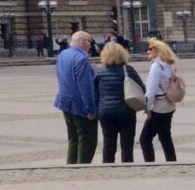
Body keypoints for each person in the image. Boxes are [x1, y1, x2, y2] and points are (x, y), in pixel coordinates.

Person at [54, 30, 98, 164]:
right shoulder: (81, 59)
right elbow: (86, 88)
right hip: (79, 105)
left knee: (73, 138)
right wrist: (91, 109)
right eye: (90, 42)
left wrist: (91, 70)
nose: (91, 45)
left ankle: (71, 166)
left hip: (64, 101)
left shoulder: (63, 54)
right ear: (84, 42)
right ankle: (82, 168)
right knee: (87, 138)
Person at [93, 42, 141, 164]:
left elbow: (95, 95)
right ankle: (127, 165)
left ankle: (107, 166)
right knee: (127, 144)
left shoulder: (99, 72)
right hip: (126, 111)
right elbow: (141, 89)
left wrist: (97, 110)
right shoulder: (128, 70)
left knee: (108, 143)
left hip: (106, 112)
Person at [140, 38, 179, 162]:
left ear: (158, 50)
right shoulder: (169, 64)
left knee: (145, 138)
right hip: (169, 105)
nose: (147, 51)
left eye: (150, 49)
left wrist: (147, 108)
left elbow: (151, 90)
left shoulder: (156, 66)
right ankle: (172, 161)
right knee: (165, 136)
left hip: (158, 107)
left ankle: (150, 163)